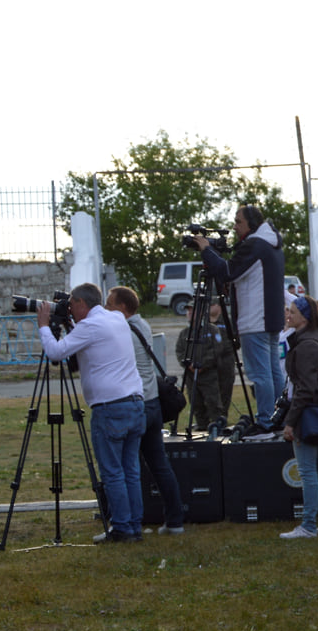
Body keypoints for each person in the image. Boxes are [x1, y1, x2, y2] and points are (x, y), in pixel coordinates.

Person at [36, 284, 145, 543]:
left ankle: (121, 528)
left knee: (113, 472)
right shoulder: (116, 318)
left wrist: (43, 324)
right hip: (134, 403)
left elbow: (55, 352)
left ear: (83, 304)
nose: (70, 309)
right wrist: (68, 321)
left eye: (72, 304)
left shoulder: (89, 327)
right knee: (131, 470)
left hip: (110, 408)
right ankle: (134, 526)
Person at [194, 204, 286, 436]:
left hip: (255, 320)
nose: (234, 227)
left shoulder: (255, 244)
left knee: (260, 374)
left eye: (238, 222)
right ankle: (278, 417)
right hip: (270, 318)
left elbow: (227, 272)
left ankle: (266, 421)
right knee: (273, 371)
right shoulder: (270, 244)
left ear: (251, 225)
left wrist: (206, 250)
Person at [106, 286, 185, 535]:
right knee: (159, 465)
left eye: (109, 305)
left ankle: (126, 523)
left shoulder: (124, 332)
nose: (106, 309)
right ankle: (174, 521)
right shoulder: (143, 325)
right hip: (152, 402)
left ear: (121, 308)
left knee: (125, 466)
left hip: (136, 403)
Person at [278, 295, 318, 539]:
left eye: (293, 312)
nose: (289, 315)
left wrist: (290, 421)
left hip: (310, 411)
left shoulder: (305, 345)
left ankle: (308, 524)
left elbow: (304, 388)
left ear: (304, 317)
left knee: (308, 470)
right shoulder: (316, 339)